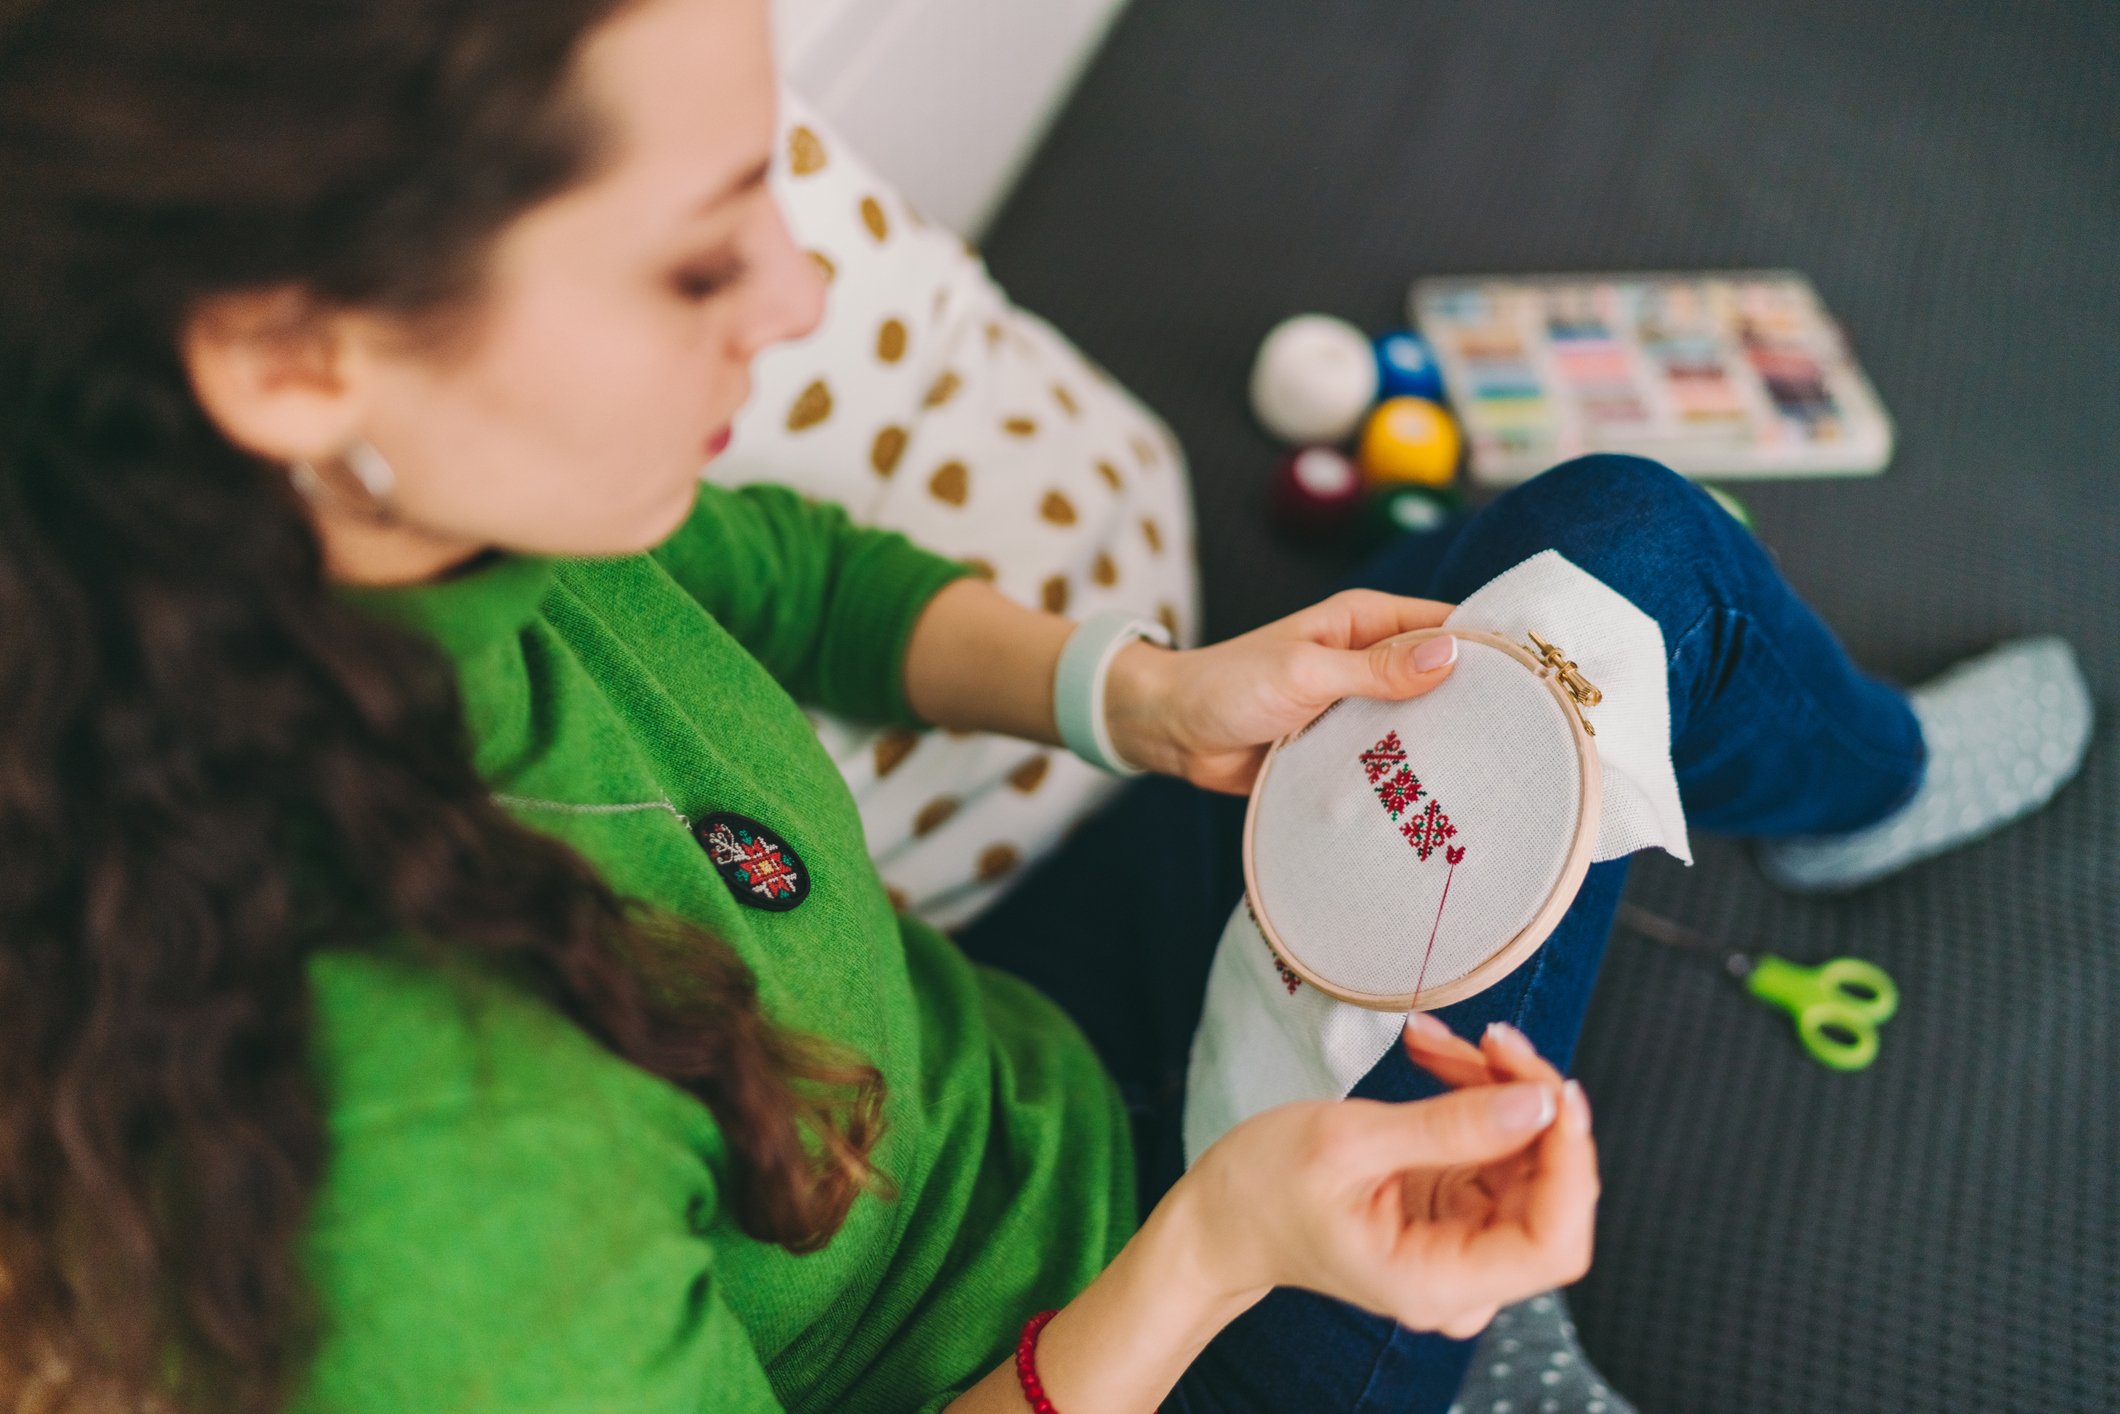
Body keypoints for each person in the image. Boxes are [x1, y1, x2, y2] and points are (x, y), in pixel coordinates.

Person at [0, 2, 2088, 1413]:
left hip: (1010, 1055)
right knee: (1628, 608)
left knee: (1615, 537)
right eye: (697, 256)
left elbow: (806, 573)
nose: (805, 299)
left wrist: (1154, 695)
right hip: (1107, 1337)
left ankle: (1855, 788)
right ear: (292, 353)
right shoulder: (416, 1170)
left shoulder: (428, 525)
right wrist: (1224, 1247)